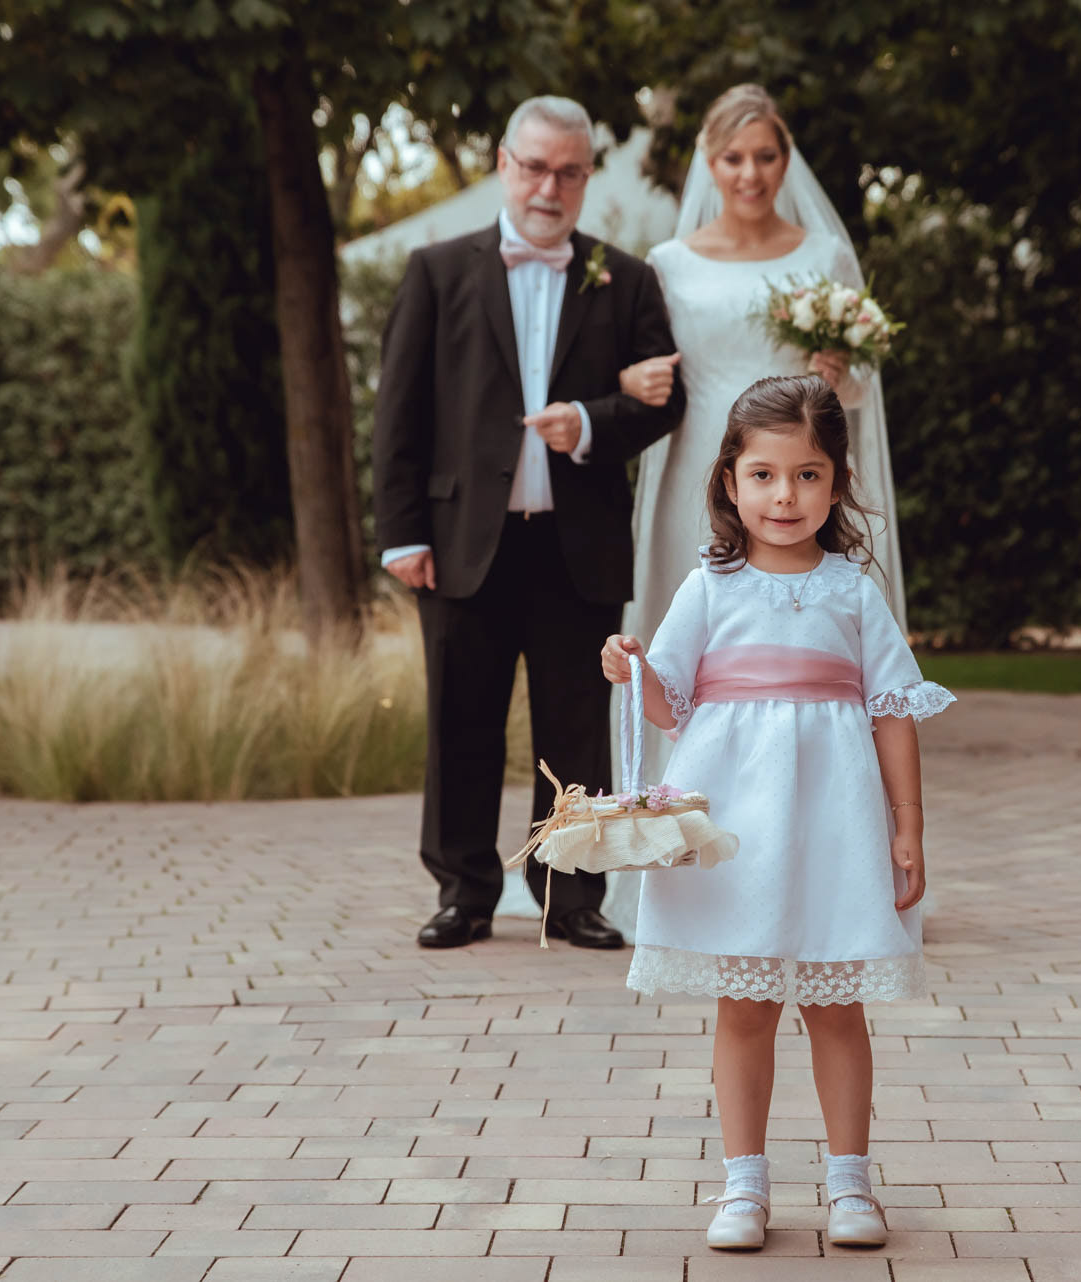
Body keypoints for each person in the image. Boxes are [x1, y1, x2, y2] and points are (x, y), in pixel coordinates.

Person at [599, 375, 954, 1251]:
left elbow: (893, 712)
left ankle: (850, 1185)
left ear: (837, 484)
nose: (784, 495)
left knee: (837, 1003)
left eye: (806, 475)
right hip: (737, 828)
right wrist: (631, 668)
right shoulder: (709, 588)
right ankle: (743, 1187)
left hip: (835, 823)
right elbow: (669, 700)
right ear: (729, 480)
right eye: (763, 475)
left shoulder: (852, 592)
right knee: (745, 1004)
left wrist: (907, 828)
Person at [374, 95, 686, 951]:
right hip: (462, 542)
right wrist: (402, 532)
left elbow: (666, 401)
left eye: (569, 171)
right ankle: (463, 893)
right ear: (504, 163)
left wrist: (589, 423)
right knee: (461, 724)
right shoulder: (436, 270)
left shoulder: (626, 278)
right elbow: (399, 413)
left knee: (577, 727)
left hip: (576, 545)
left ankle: (574, 895)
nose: (550, 186)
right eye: (535, 166)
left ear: (587, 177)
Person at [606, 83, 908, 936]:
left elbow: (857, 382)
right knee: (693, 658)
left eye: (766, 156)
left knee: (793, 657)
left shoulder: (823, 258)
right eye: (734, 157)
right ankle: (668, 865)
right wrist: (629, 384)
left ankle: (817, 859)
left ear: (787, 159)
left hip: (795, 464)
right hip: (698, 469)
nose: (750, 173)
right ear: (709, 161)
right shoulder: (667, 263)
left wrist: (844, 375)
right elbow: (641, 365)